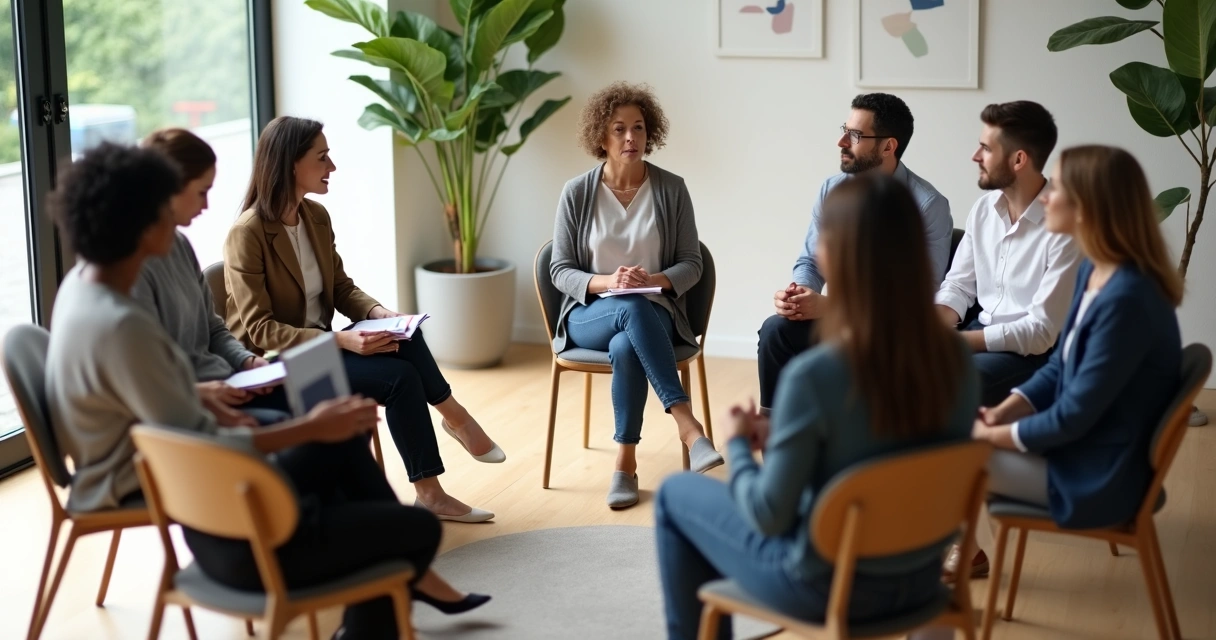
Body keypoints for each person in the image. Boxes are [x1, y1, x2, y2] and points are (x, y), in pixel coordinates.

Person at [44, 143, 489, 639]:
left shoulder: (83, 292)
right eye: (186, 199)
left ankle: (373, 582)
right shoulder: (124, 323)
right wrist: (309, 425)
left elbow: (159, 402)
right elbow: (198, 445)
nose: (200, 210)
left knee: (341, 437)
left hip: (186, 468)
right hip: (193, 489)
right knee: (398, 514)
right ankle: (391, 574)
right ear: (148, 217)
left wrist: (206, 397)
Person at [655, 174, 979, 640]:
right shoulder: (957, 363)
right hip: (922, 581)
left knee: (675, 494)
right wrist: (791, 435)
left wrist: (739, 448)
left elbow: (768, 514)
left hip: (828, 586)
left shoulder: (817, 376)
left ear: (843, 253)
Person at [224, 116, 501, 523]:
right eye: (322, 158)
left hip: (320, 347)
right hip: (277, 366)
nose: (331, 167)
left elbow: (340, 288)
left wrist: (378, 313)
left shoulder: (315, 217)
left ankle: (449, 433)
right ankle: (440, 468)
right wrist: (340, 341)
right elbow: (261, 331)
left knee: (405, 334)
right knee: (400, 379)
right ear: (290, 165)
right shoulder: (247, 233)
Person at [963, 145, 1184, 576]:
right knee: (950, 437)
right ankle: (948, 560)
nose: (1045, 196)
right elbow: (1061, 367)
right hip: (1085, 448)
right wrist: (1006, 410)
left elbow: (1071, 418)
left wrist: (988, 437)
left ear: (1089, 207)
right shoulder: (1098, 270)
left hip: (1098, 472)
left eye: (1058, 187)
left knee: (944, 450)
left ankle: (937, 568)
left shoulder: (1128, 300)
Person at [550, 82, 722, 509]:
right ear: (601, 137)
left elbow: (692, 262)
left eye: (640, 128)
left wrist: (655, 279)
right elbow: (559, 270)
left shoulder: (671, 188)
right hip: (590, 314)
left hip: (655, 311)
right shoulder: (576, 193)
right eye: (619, 129)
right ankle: (687, 425)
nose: (631, 138)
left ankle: (624, 463)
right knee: (627, 306)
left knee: (629, 341)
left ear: (651, 134)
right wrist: (611, 282)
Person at [757, 93, 952, 412]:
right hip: (836, 323)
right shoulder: (832, 189)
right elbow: (810, 260)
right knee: (776, 330)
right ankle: (776, 440)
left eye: (855, 135)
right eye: (844, 129)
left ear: (889, 146)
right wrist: (801, 295)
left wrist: (832, 306)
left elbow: (921, 294)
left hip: (892, 335)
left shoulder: (928, 206)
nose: (841, 141)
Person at [130, 128, 291, 427]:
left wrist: (247, 361)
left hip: (227, 384)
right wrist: (204, 392)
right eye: (202, 192)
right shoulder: (131, 270)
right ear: (169, 188)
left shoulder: (179, 244)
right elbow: (147, 378)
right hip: (193, 405)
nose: (206, 206)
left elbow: (214, 329)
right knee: (310, 432)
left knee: (328, 404)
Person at [936, 102, 1080, 411]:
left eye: (986, 149)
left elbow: (1041, 333)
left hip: (1033, 355)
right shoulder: (984, 209)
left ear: (1018, 159)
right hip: (978, 333)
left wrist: (955, 343)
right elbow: (959, 285)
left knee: (940, 387)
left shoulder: (1065, 226)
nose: (976, 157)